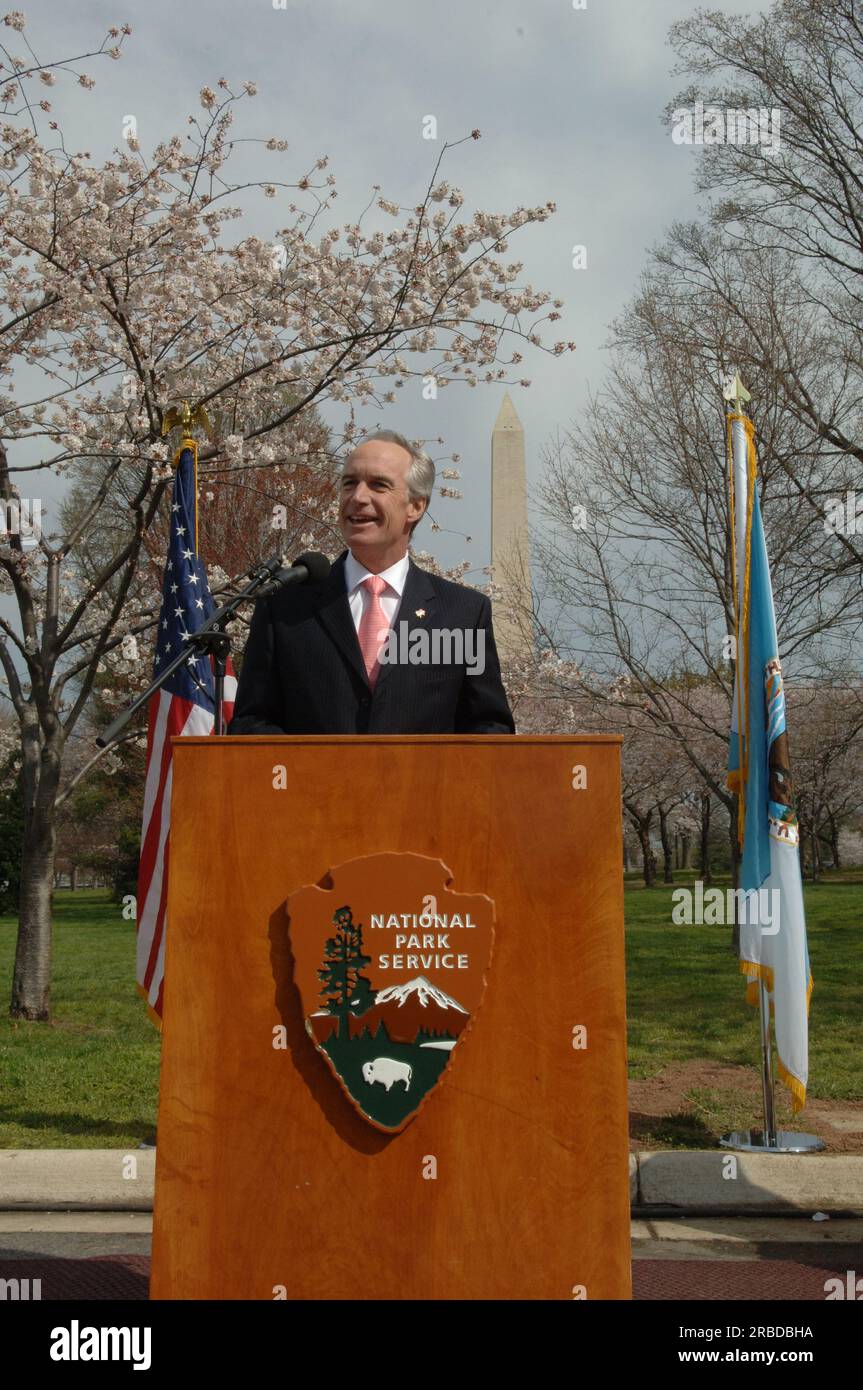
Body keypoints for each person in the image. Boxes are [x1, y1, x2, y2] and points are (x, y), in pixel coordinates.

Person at [228, 430, 515, 735]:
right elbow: (252, 723)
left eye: (378, 485)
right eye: (349, 483)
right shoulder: (285, 605)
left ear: (415, 506)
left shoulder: (463, 614)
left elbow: (490, 729)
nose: (358, 497)